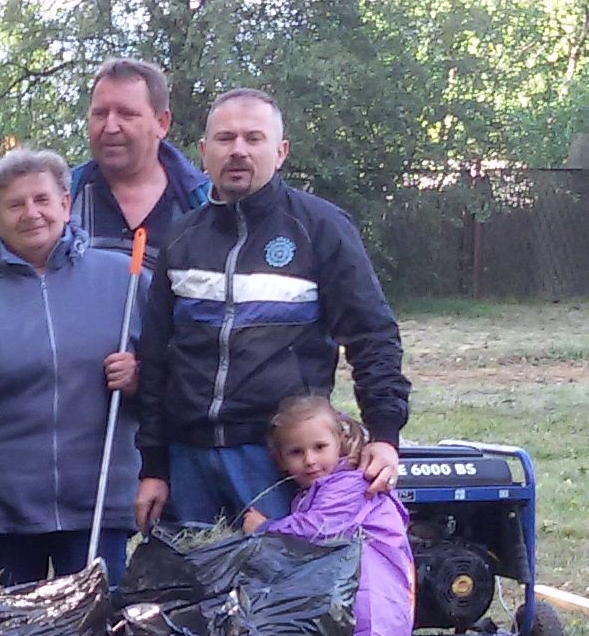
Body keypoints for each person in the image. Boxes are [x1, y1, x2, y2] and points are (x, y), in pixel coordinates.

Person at [133, 88, 409, 531]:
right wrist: (154, 465)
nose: (238, 150)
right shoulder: (181, 238)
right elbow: (155, 357)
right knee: (190, 594)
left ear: (280, 152)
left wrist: (384, 434)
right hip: (188, 462)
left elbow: (372, 335)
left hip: (280, 461)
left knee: (281, 595)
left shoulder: (321, 228)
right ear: (204, 153)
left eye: (253, 138)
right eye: (225, 139)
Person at [0, 148, 141, 583]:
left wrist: (139, 378)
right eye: (14, 205)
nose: (31, 214)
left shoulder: (125, 279)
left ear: (65, 205)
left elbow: (170, 379)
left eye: (42, 200)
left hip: (96, 505)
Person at [243, 393, 414, 636]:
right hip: (354, 586)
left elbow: (319, 530)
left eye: (319, 447)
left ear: (341, 442)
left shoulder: (351, 483)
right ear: (280, 460)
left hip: (370, 586)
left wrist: (264, 529)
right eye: (297, 452)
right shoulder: (317, 490)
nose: (309, 460)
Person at [70, 58, 210, 251]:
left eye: (126, 114)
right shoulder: (65, 199)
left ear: (161, 123)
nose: (110, 127)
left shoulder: (201, 205)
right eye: (100, 114)